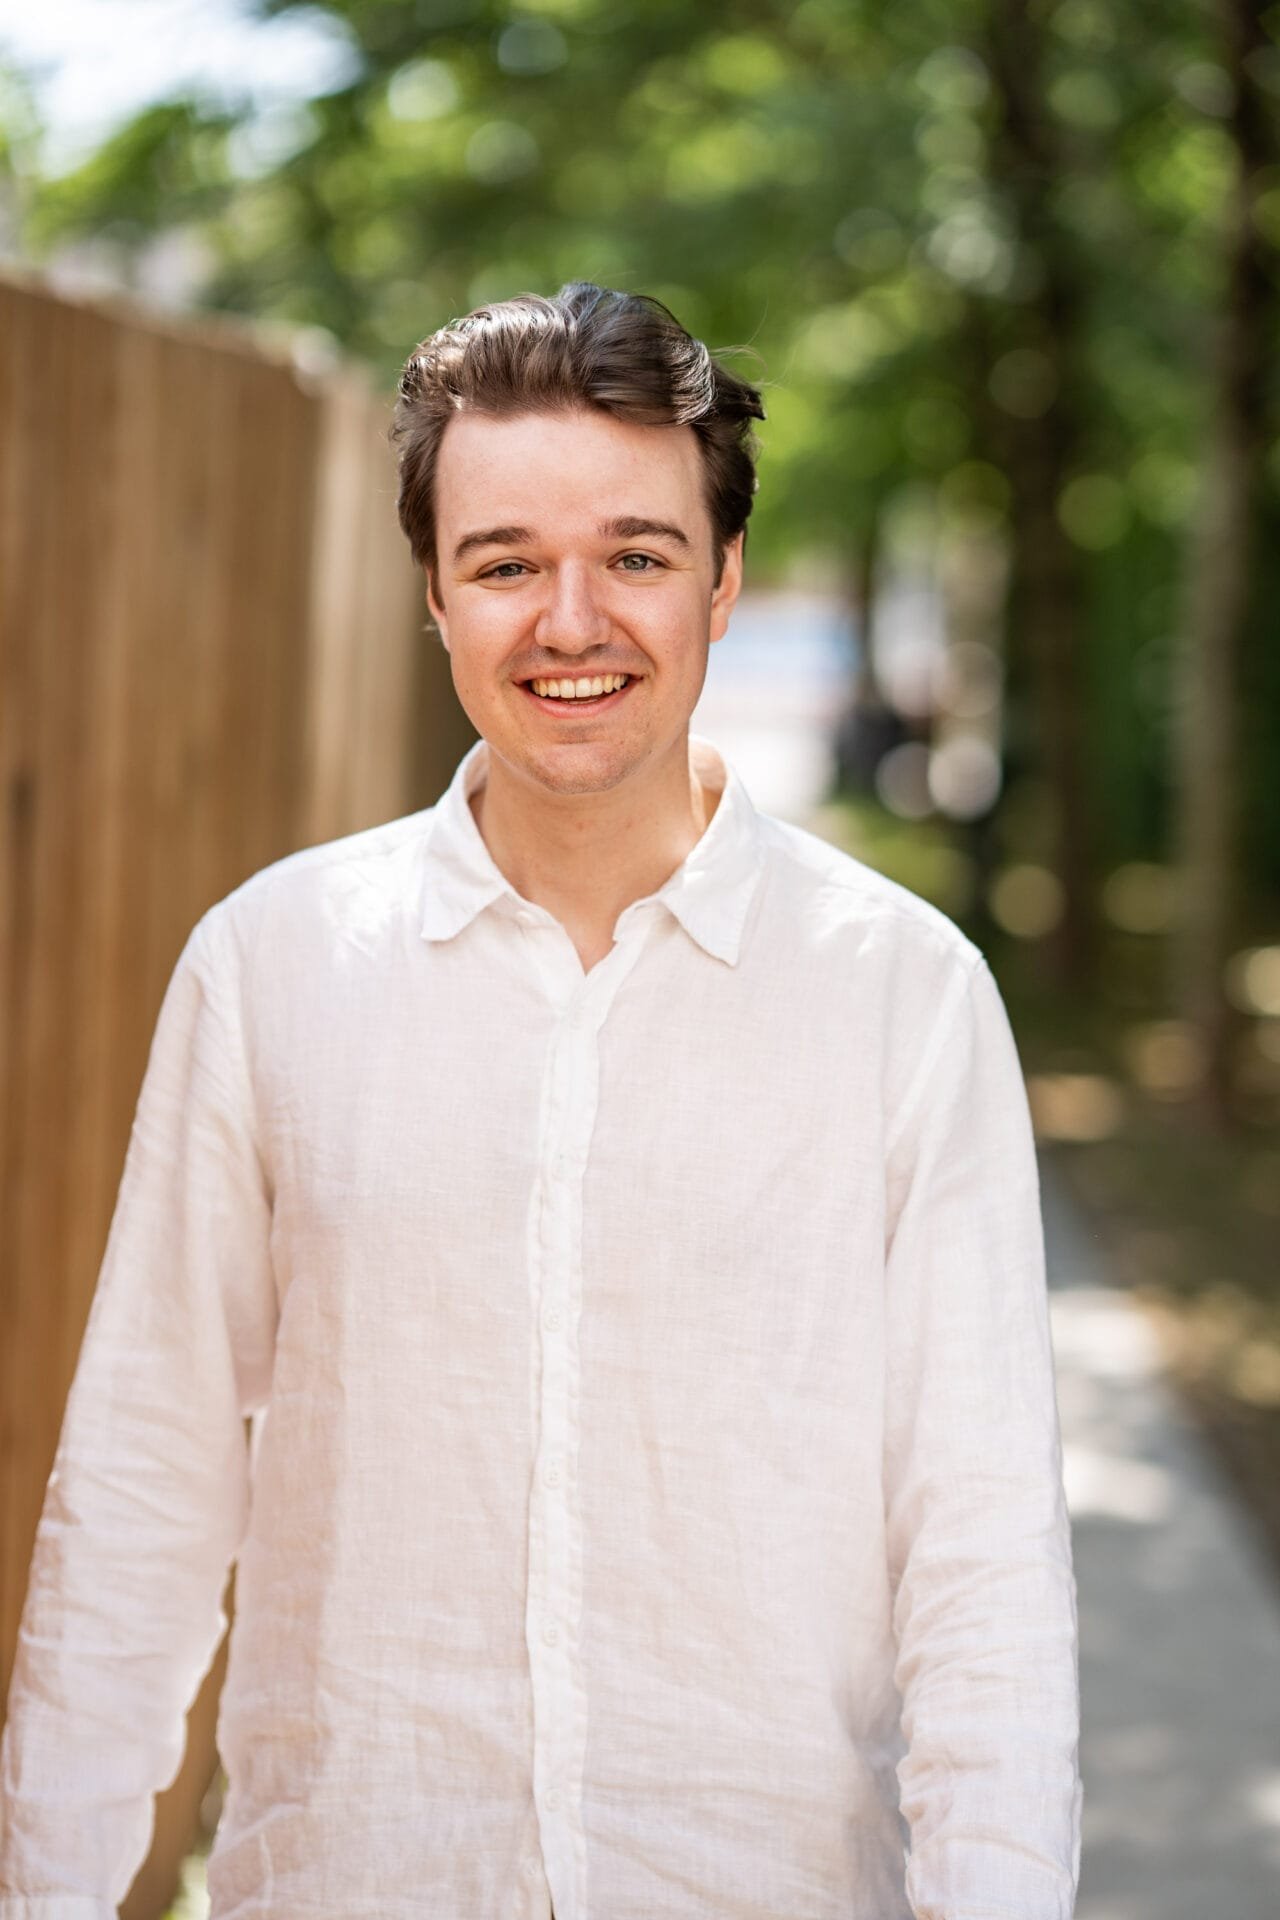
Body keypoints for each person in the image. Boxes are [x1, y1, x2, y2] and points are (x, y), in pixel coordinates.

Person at [0, 283, 1081, 1919]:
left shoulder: (902, 997)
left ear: (723, 583)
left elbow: (985, 1558)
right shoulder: (271, 968)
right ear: (436, 597)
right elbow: (143, 1492)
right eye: (506, 563)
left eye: (637, 556)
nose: (571, 621)